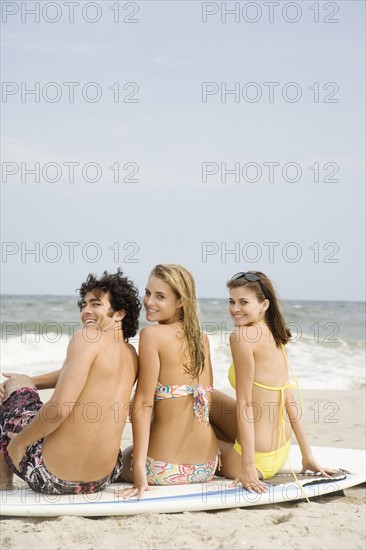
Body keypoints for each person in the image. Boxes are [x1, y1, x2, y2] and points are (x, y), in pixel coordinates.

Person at [0, 269, 140, 494]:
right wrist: (30, 381)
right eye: (83, 305)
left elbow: (58, 411)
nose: (86, 311)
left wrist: (19, 444)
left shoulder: (87, 338)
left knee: (13, 391)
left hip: (51, 476)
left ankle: (2, 483)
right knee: (20, 382)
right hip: (101, 480)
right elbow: (76, 372)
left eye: (95, 304)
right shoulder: (131, 355)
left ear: (119, 314)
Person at [209, 271, 337, 494]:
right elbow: (289, 400)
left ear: (264, 304)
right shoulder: (277, 334)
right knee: (206, 397)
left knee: (195, 408)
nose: (235, 309)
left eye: (243, 302)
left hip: (251, 461)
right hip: (280, 453)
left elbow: (245, 404)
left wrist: (247, 466)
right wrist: (307, 456)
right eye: (231, 301)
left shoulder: (241, 337)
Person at [119, 264, 219, 499]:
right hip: (206, 466)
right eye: (147, 293)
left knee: (122, 458)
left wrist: (140, 468)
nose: (149, 301)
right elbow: (207, 401)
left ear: (181, 301)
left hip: (163, 469)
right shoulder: (202, 339)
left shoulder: (152, 335)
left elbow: (142, 405)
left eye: (160, 296)